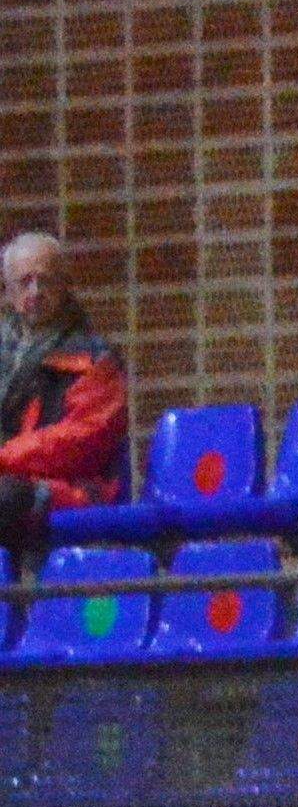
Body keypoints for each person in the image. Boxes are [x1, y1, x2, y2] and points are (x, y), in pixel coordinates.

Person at [0, 234, 136, 566]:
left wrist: (4, 457)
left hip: (71, 488)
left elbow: (84, 439)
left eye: (44, 281)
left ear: (64, 285)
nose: (34, 292)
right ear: (8, 290)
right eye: (24, 282)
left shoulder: (93, 359)